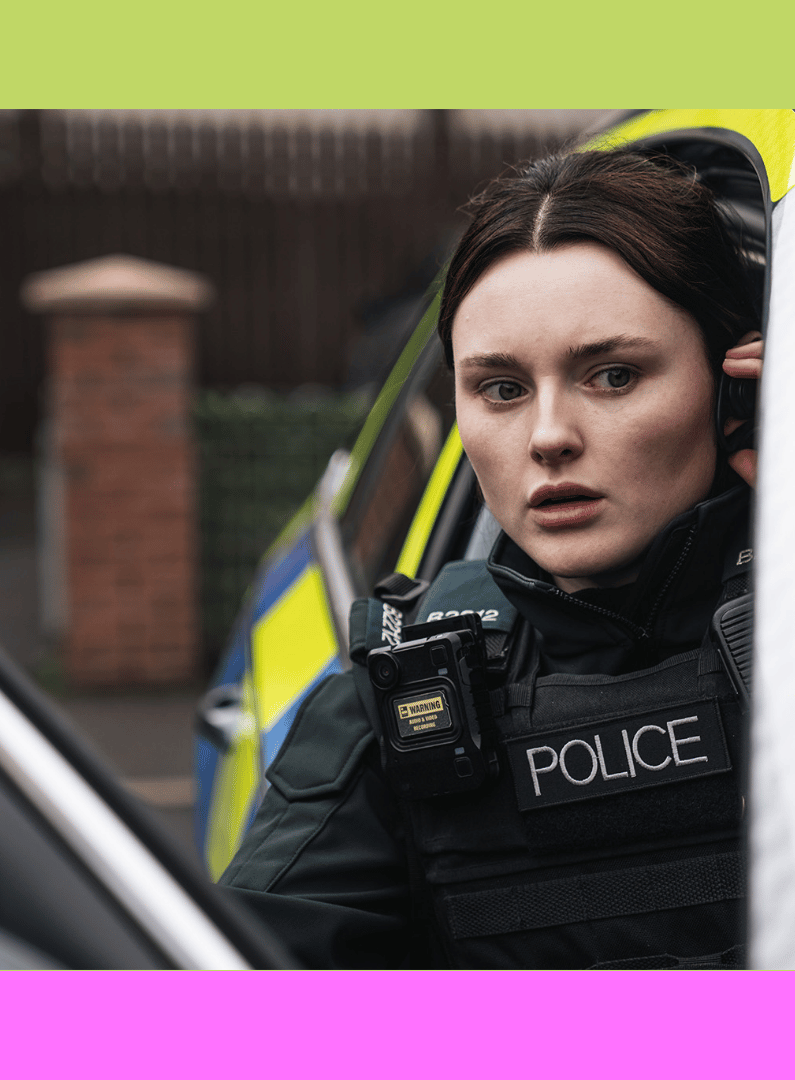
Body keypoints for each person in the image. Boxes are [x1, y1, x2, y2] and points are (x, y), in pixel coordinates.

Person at [219, 149, 766, 968]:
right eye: (502, 389)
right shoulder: (404, 695)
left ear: (734, 388)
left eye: (614, 375)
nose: (549, 436)